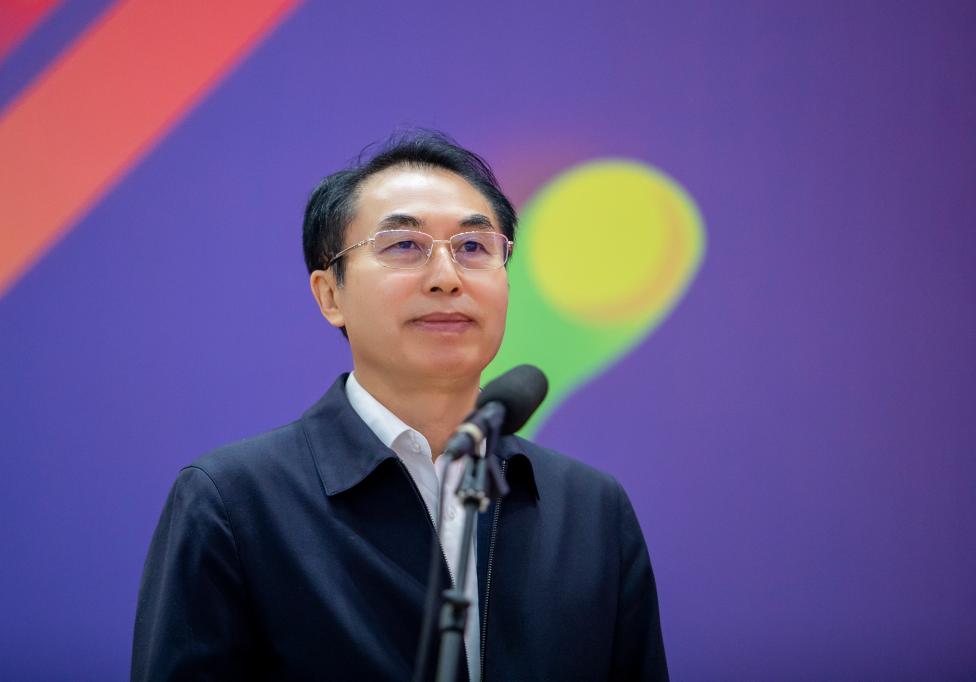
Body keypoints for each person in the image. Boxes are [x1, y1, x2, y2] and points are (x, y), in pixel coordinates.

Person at [131, 131, 668, 681]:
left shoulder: (591, 510)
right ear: (330, 295)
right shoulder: (235, 503)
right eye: (404, 246)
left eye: (474, 248)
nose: (446, 278)